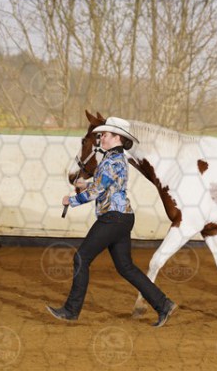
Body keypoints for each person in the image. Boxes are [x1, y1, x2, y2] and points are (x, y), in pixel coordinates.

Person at [46, 117, 177, 327]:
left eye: (105, 135)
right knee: (126, 267)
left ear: (117, 137)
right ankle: (163, 304)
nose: (102, 139)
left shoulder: (110, 161)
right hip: (122, 217)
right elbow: (103, 186)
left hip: (113, 218)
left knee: (81, 258)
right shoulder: (115, 159)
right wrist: (84, 185)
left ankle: (71, 310)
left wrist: (71, 200)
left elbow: (97, 191)